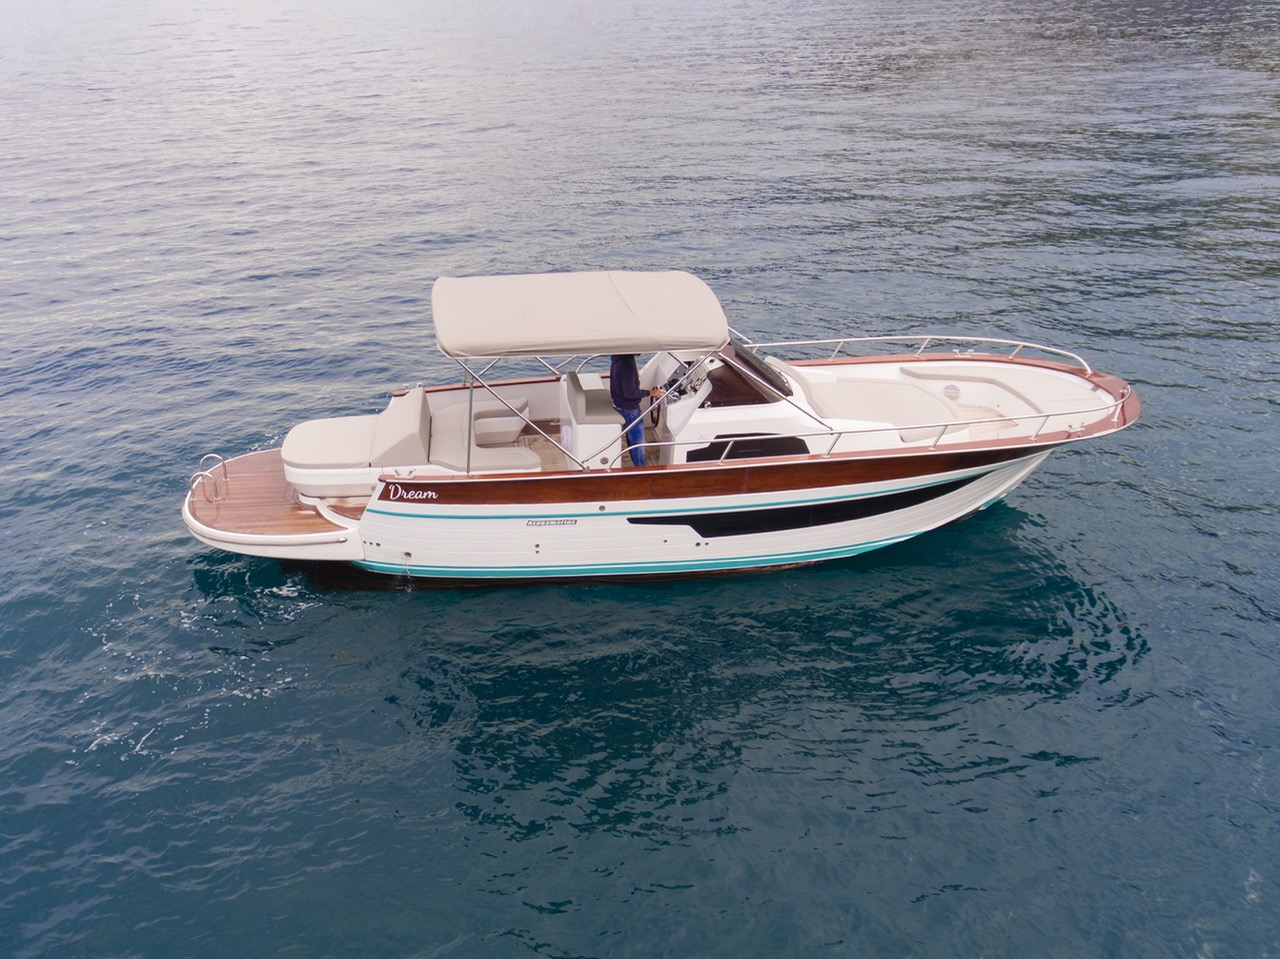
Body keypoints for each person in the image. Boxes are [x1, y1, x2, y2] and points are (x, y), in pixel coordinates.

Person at [609, 354, 659, 467]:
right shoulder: (627, 364)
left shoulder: (618, 358)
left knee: (632, 441)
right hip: (629, 409)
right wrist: (651, 393)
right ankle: (641, 470)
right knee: (638, 444)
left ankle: (637, 467)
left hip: (619, 405)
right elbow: (630, 393)